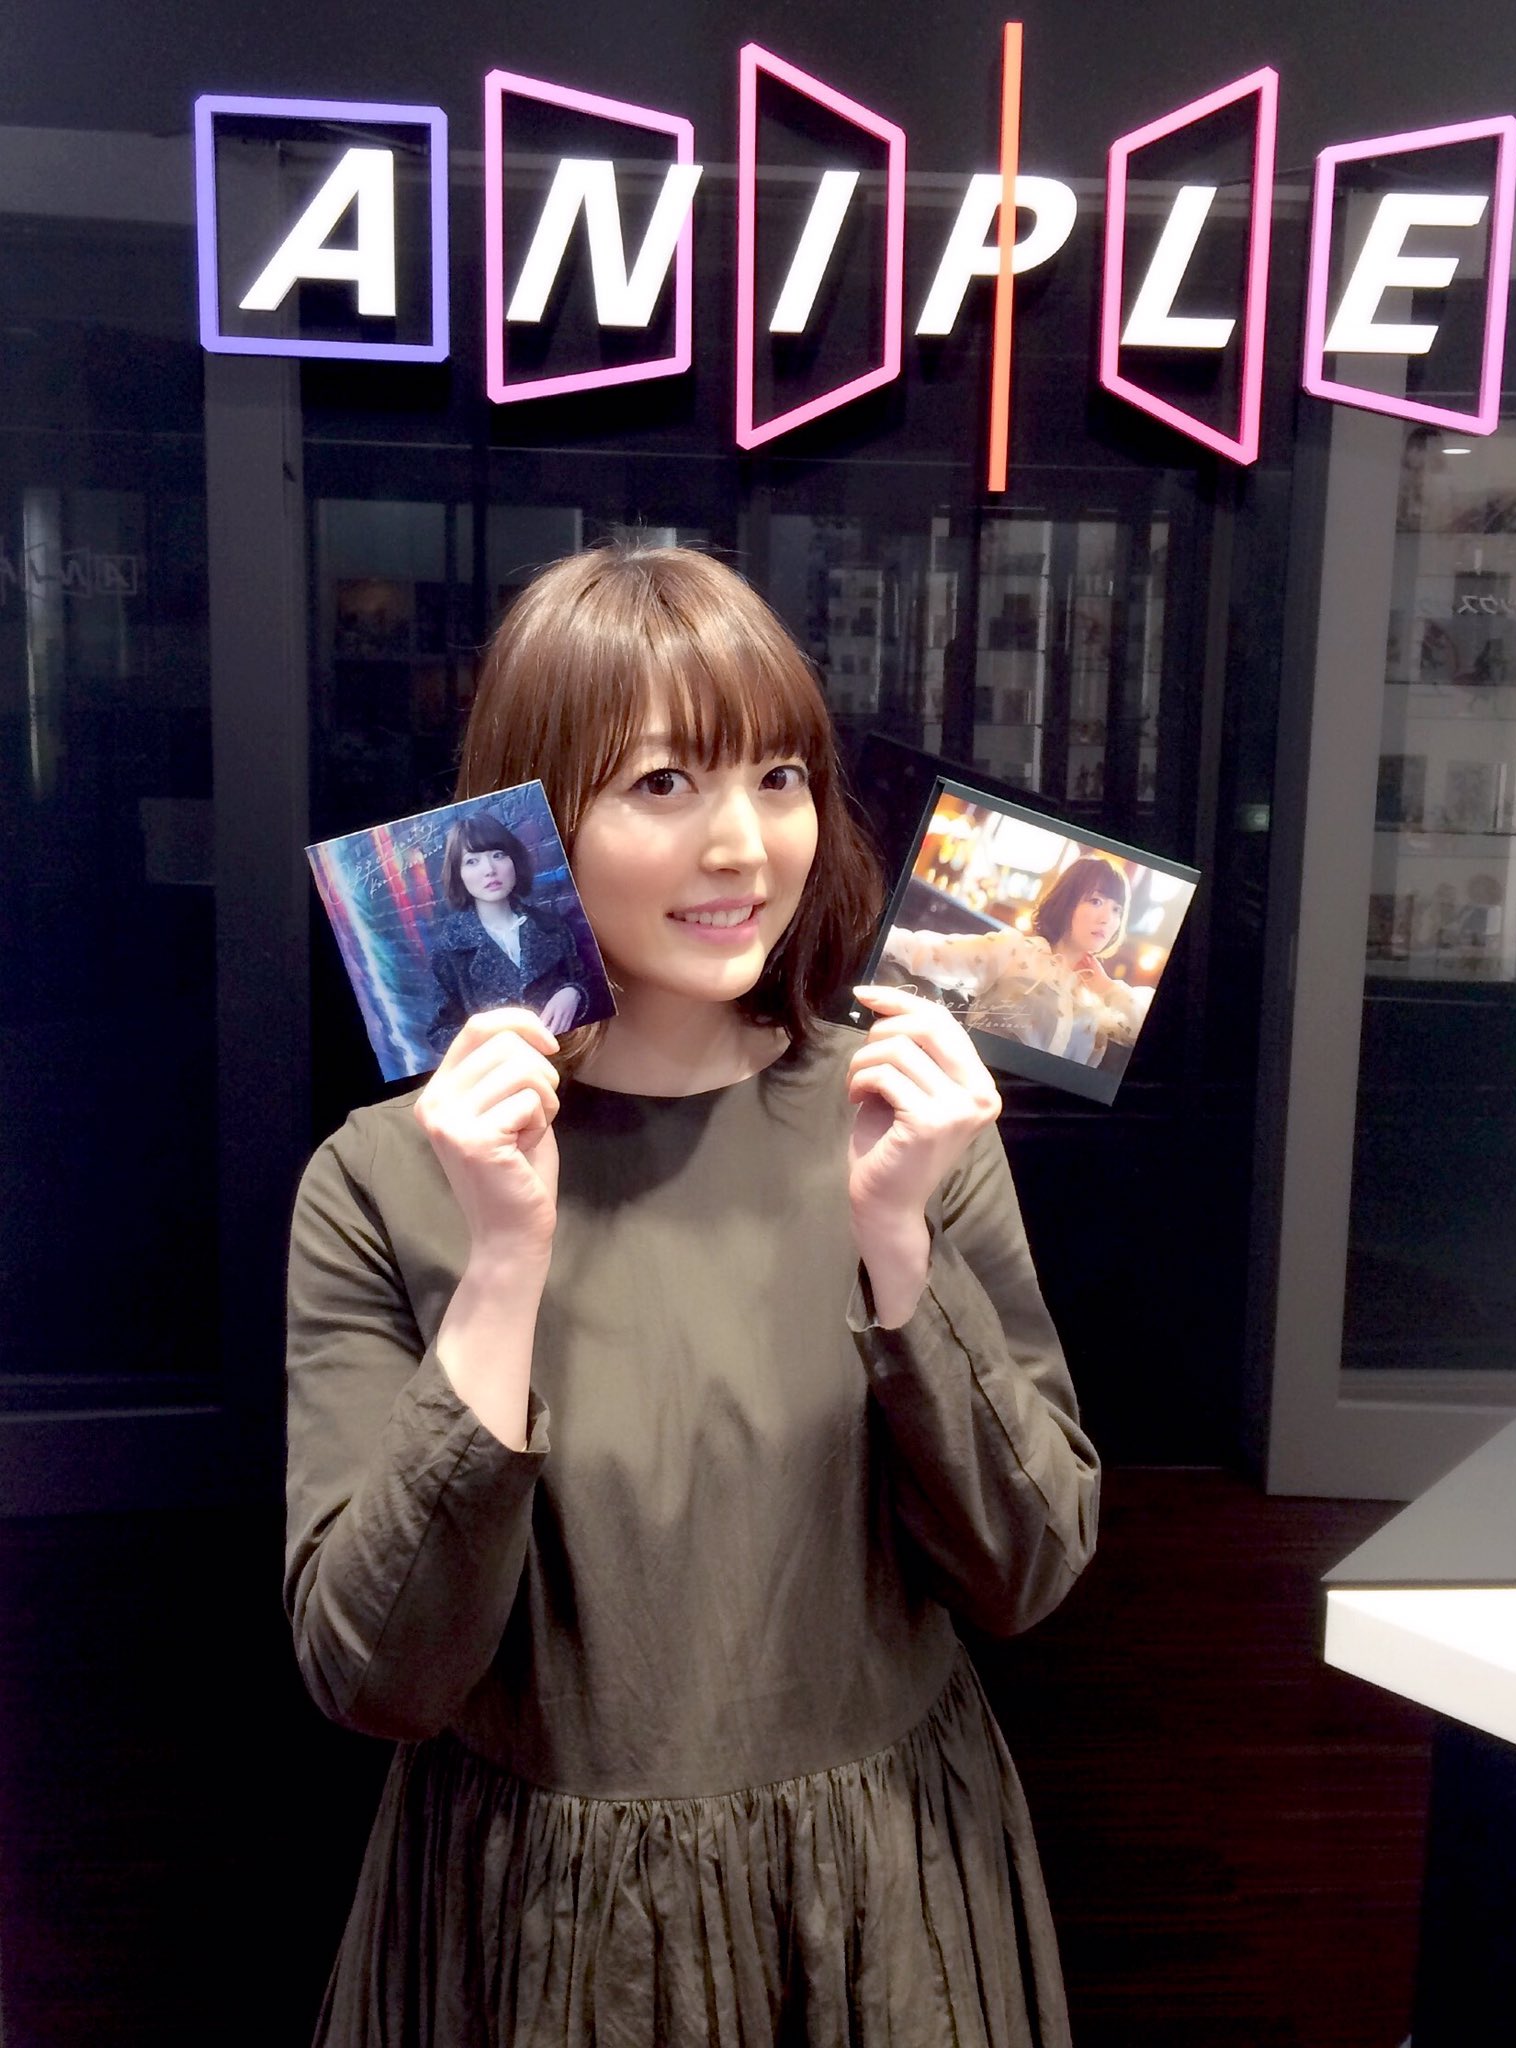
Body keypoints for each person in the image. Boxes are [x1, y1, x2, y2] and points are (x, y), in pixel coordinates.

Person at [285, 545, 1100, 2048]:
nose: (742, 845)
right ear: (529, 821)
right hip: (533, 1928)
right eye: (662, 782)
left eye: (778, 776)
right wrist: (503, 1260)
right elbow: (373, 1672)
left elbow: (1029, 1570)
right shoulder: (382, 1178)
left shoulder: (907, 1129)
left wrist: (896, 1239)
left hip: (878, 1908)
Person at [880, 854, 1151, 1066]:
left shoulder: (1100, 997)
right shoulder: (1015, 951)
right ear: (1068, 902)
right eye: (1096, 901)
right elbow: (924, 952)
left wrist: (1108, 989)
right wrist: (872, 932)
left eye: (1117, 910)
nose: (1107, 919)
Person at [425, 810, 591, 1054]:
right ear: (458, 874)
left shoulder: (551, 927)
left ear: (514, 861)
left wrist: (574, 993)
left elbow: (584, 979)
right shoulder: (449, 950)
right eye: (472, 861)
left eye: (498, 855)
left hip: (575, 1054)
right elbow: (439, 1032)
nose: (489, 869)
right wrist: (493, 1037)